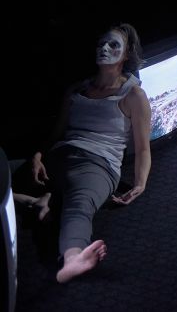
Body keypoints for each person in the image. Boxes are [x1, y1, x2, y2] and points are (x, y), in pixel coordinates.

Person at [30, 24, 153, 282]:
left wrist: (140, 183)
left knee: (79, 205)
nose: (104, 48)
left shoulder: (134, 95)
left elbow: (143, 147)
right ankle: (41, 200)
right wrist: (38, 156)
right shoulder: (77, 90)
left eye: (113, 45)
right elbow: (57, 133)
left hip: (98, 165)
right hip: (61, 156)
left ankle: (72, 258)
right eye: (101, 44)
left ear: (126, 54)